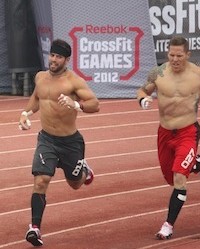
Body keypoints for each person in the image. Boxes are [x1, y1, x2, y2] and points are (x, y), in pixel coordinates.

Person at [136, 36, 200, 240]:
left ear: (187, 55)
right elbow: (142, 89)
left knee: (179, 178)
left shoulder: (199, 73)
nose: (174, 59)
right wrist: (143, 99)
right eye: (171, 55)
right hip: (165, 133)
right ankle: (197, 163)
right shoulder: (158, 72)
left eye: (179, 55)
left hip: (188, 132)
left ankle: (168, 225)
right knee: (169, 177)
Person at [18, 39, 100, 247]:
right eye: (52, 55)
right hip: (47, 139)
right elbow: (37, 98)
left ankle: (85, 172)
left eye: (59, 57)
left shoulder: (73, 81)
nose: (54, 60)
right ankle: (34, 228)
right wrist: (25, 113)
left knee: (75, 184)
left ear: (66, 59)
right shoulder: (40, 77)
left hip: (70, 142)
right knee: (41, 180)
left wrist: (75, 104)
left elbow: (94, 104)